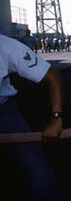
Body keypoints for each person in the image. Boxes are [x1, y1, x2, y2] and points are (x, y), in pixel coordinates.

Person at [0, 34, 67, 200]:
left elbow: (52, 76)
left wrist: (56, 118)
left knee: (39, 175)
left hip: (3, 110)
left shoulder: (6, 46)